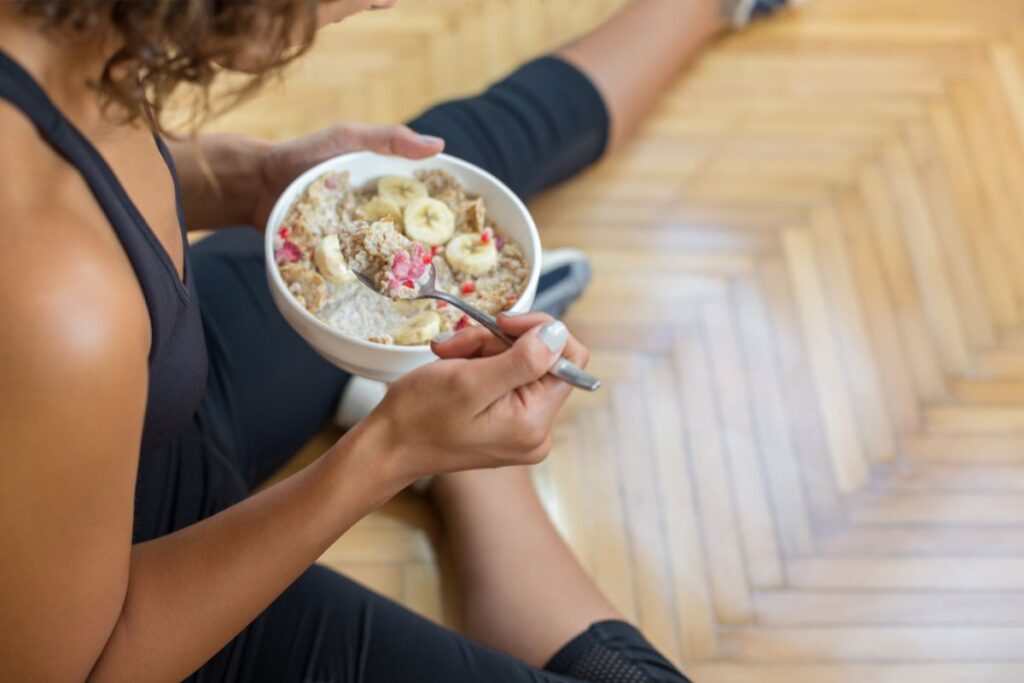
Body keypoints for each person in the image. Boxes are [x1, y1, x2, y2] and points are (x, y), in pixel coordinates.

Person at [0, 0, 795, 680]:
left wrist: (248, 180)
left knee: (461, 151)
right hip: (129, 618)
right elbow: (81, 668)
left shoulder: (66, 31)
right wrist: (393, 449)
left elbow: (85, 154)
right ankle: (465, 461)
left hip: (143, 416)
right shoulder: (61, 298)